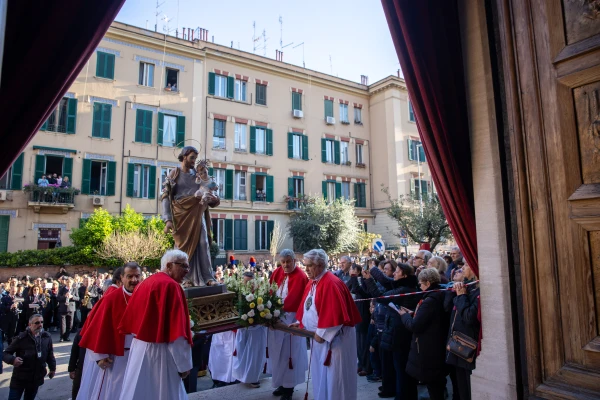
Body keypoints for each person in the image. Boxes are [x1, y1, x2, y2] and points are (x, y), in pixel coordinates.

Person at [118, 250, 193, 400]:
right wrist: (184, 365)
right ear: (169, 265)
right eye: (183, 266)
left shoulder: (147, 282)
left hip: (139, 349)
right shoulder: (171, 286)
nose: (187, 271)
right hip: (161, 353)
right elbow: (176, 332)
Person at [292, 249, 362, 400]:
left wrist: (321, 334)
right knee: (321, 380)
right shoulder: (314, 281)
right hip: (319, 340)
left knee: (336, 382)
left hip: (335, 342)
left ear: (321, 264)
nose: (306, 269)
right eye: (305, 265)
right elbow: (308, 306)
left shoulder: (331, 283)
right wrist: (300, 323)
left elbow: (334, 315)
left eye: (309, 265)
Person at [78, 262, 141, 400]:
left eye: (137, 276)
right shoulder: (111, 299)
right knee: (115, 391)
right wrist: (100, 356)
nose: (134, 280)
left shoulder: (146, 296)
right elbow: (98, 328)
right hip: (118, 356)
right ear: (122, 278)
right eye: (129, 276)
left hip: (141, 355)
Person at [162, 147, 221, 286]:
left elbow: (210, 189)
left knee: (203, 243)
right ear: (184, 157)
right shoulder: (174, 173)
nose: (194, 161)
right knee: (182, 249)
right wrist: (168, 219)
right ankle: (185, 278)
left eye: (195, 158)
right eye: (192, 158)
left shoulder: (198, 174)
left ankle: (207, 277)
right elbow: (165, 196)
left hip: (197, 212)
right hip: (181, 216)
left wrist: (213, 198)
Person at [399, 268, 449, 400]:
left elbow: (415, 326)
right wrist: (412, 314)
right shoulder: (437, 295)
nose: (419, 286)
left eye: (420, 284)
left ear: (427, 283)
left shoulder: (430, 300)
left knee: (434, 386)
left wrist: (404, 316)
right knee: (436, 384)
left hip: (429, 348)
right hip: (434, 345)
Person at [266, 249, 309, 400]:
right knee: (277, 354)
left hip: (291, 320)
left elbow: (298, 300)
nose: (285, 265)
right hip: (276, 320)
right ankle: (281, 383)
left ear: (294, 261)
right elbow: (269, 292)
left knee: (290, 355)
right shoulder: (276, 272)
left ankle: (289, 389)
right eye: (283, 262)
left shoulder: (301, 276)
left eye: (288, 262)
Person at [445, 258, 480, 400]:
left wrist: (461, 295)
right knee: (460, 384)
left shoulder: (477, 292)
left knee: (467, 388)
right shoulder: (468, 287)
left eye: (466, 264)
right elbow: (448, 307)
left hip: (467, 346)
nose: (462, 268)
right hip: (456, 343)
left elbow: (468, 316)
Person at [3, 314, 56, 400]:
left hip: (36, 378)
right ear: (30, 324)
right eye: (37, 322)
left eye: (42, 322)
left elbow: (50, 354)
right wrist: (13, 360)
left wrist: (52, 368)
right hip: (20, 378)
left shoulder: (47, 337)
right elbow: (5, 353)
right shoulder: (21, 338)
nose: (40, 325)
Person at [232, 271, 268, 388]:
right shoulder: (238, 294)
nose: (248, 285)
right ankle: (241, 375)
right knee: (242, 352)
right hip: (243, 328)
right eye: (245, 282)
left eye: (250, 283)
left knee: (254, 354)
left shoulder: (261, 294)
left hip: (256, 329)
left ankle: (253, 377)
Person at [68, 329, 86, 400]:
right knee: (77, 390)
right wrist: (72, 369)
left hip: (97, 369)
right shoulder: (81, 331)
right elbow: (74, 352)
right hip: (81, 367)